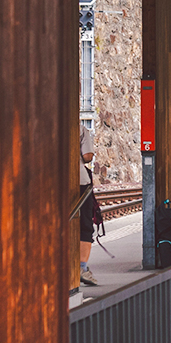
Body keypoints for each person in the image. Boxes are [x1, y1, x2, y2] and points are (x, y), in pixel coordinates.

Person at [78, 123, 102, 287]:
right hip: (78, 181)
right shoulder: (79, 128)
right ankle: (81, 267)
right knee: (85, 225)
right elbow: (87, 156)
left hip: (47, 179)